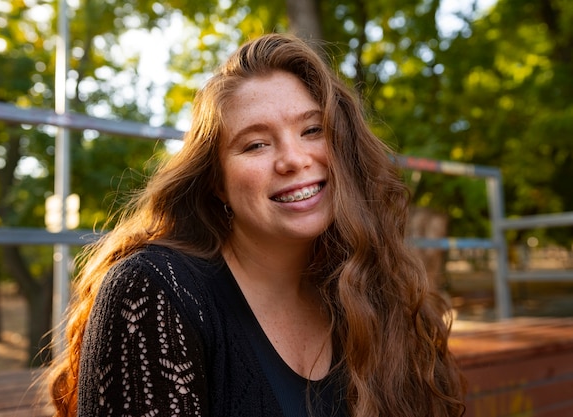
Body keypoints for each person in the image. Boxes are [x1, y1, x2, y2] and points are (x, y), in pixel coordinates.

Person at [48, 33, 465, 417]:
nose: (293, 159)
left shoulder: (373, 287)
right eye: (256, 144)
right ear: (217, 182)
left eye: (312, 129)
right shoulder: (154, 291)